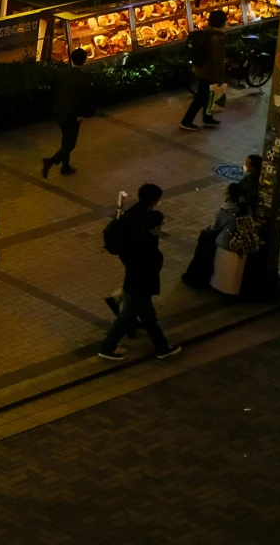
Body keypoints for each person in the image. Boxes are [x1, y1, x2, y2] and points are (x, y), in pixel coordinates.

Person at [96, 183, 180, 362]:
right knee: (128, 317)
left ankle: (162, 348)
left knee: (148, 317)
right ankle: (107, 348)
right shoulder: (147, 243)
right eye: (161, 225)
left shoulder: (134, 217)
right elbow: (149, 264)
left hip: (135, 279)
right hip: (139, 283)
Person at [44, 47, 91, 177]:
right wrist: (83, 114)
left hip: (59, 110)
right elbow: (84, 99)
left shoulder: (61, 74)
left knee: (66, 138)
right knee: (70, 143)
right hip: (72, 114)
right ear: (84, 61)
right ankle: (51, 161)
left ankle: (65, 166)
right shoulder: (83, 78)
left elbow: (53, 90)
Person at [181, 8, 229, 130]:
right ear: (222, 23)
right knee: (201, 98)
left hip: (200, 69)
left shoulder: (206, 32)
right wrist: (220, 77)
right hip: (208, 72)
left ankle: (208, 118)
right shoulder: (218, 39)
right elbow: (218, 60)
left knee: (207, 96)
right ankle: (187, 121)